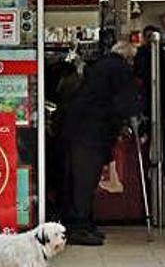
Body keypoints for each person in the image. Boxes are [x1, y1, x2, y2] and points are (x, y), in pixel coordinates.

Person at [61, 41, 140, 246]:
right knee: (85, 180)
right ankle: (79, 227)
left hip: (77, 127)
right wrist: (135, 121)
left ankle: (79, 223)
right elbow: (126, 102)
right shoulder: (120, 69)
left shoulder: (99, 66)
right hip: (92, 131)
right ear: (129, 58)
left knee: (77, 179)